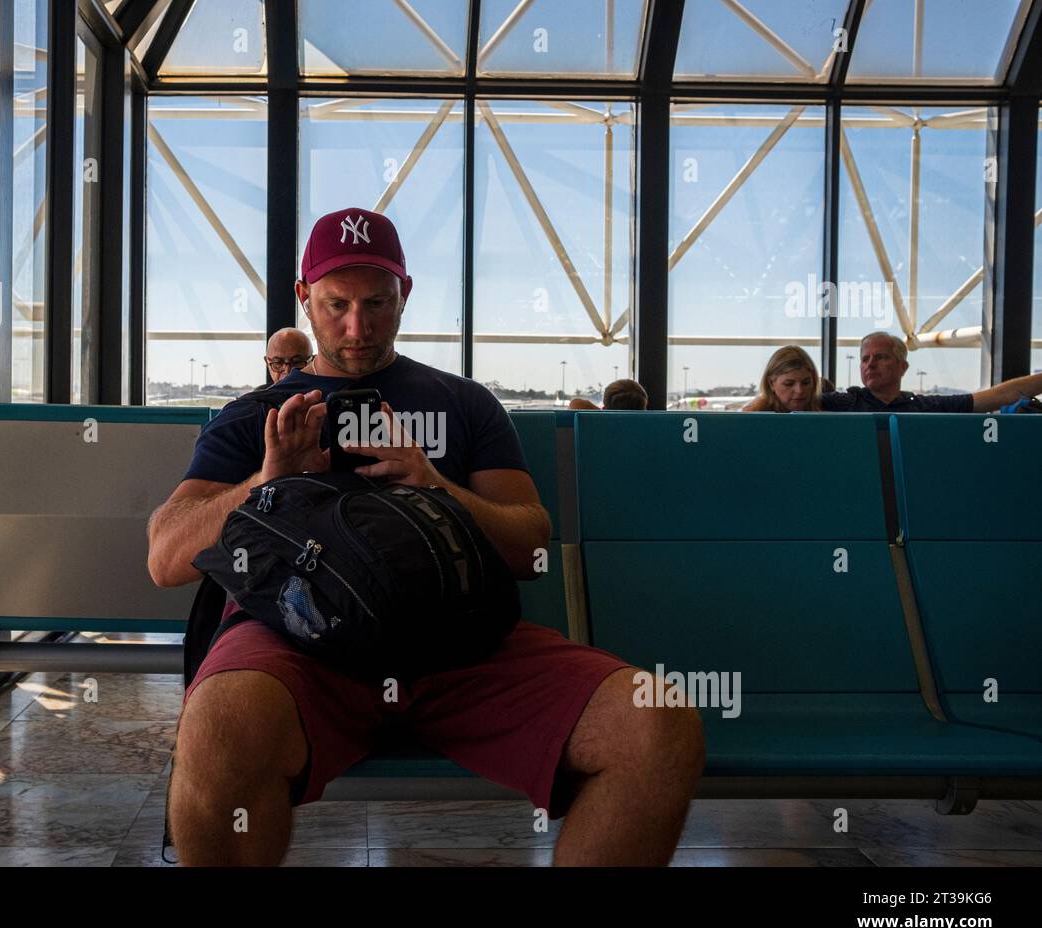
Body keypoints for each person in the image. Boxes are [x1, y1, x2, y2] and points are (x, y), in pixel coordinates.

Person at [147, 207, 704, 867]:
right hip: (299, 642)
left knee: (655, 726)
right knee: (217, 725)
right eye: (336, 305)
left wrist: (435, 485)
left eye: (378, 302)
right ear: (303, 298)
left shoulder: (465, 404)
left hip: (458, 643)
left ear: (405, 293)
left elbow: (530, 547)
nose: (358, 327)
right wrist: (265, 483)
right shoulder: (257, 417)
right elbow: (166, 557)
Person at [819, 332, 1042, 413]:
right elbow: (788, 401)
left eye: (881, 357)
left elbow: (999, 396)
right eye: (864, 359)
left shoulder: (926, 407)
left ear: (903, 366)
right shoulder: (841, 403)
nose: (870, 364)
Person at [741, 346, 821, 412]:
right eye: (789, 384)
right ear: (771, 383)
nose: (799, 390)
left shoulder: (825, 408)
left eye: (806, 382)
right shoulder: (752, 418)